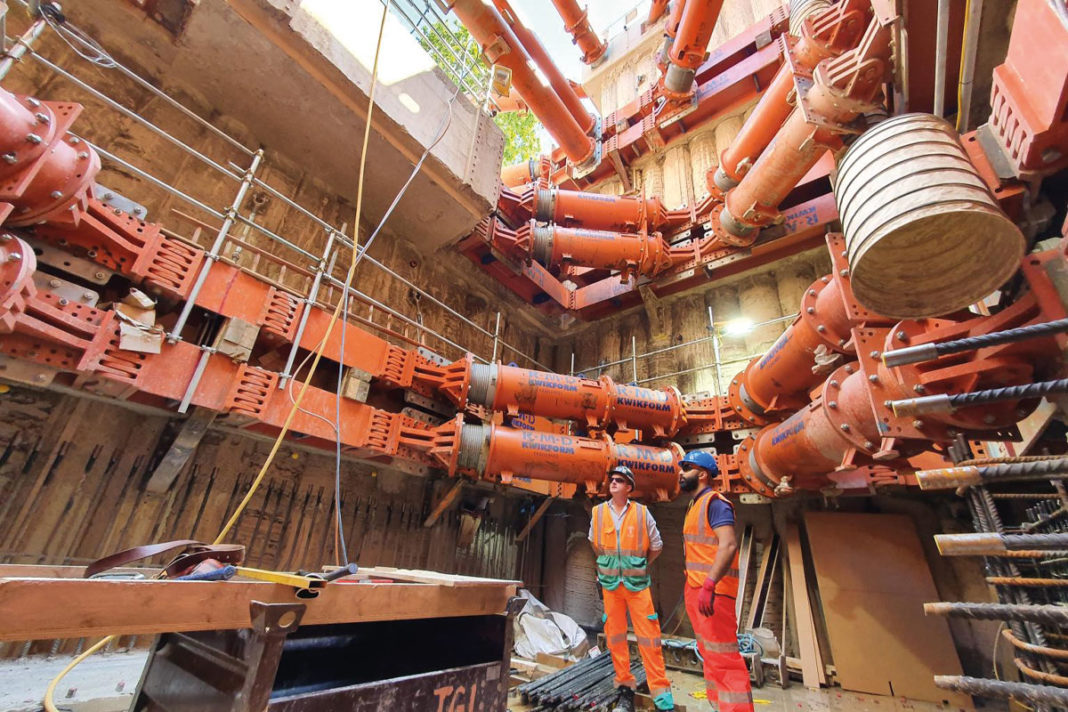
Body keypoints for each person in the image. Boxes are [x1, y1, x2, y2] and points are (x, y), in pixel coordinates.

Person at [589, 465, 675, 712]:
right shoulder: (597, 513)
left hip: (637, 587)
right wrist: (612, 566)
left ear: (629, 487)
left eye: (619, 480)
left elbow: (656, 546)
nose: (613, 482)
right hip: (610, 587)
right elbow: (595, 545)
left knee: (649, 641)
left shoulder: (642, 513)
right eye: (612, 479)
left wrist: (638, 565)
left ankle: (662, 699)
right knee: (616, 641)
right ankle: (625, 693)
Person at [678, 450, 754, 712]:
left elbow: (729, 544)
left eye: (686, 468)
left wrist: (709, 584)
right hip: (697, 590)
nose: (681, 473)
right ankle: (720, 707)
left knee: (724, 658)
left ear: (702, 474)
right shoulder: (695, 504)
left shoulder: (715, 502)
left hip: (713, 592)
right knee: (710, 654)